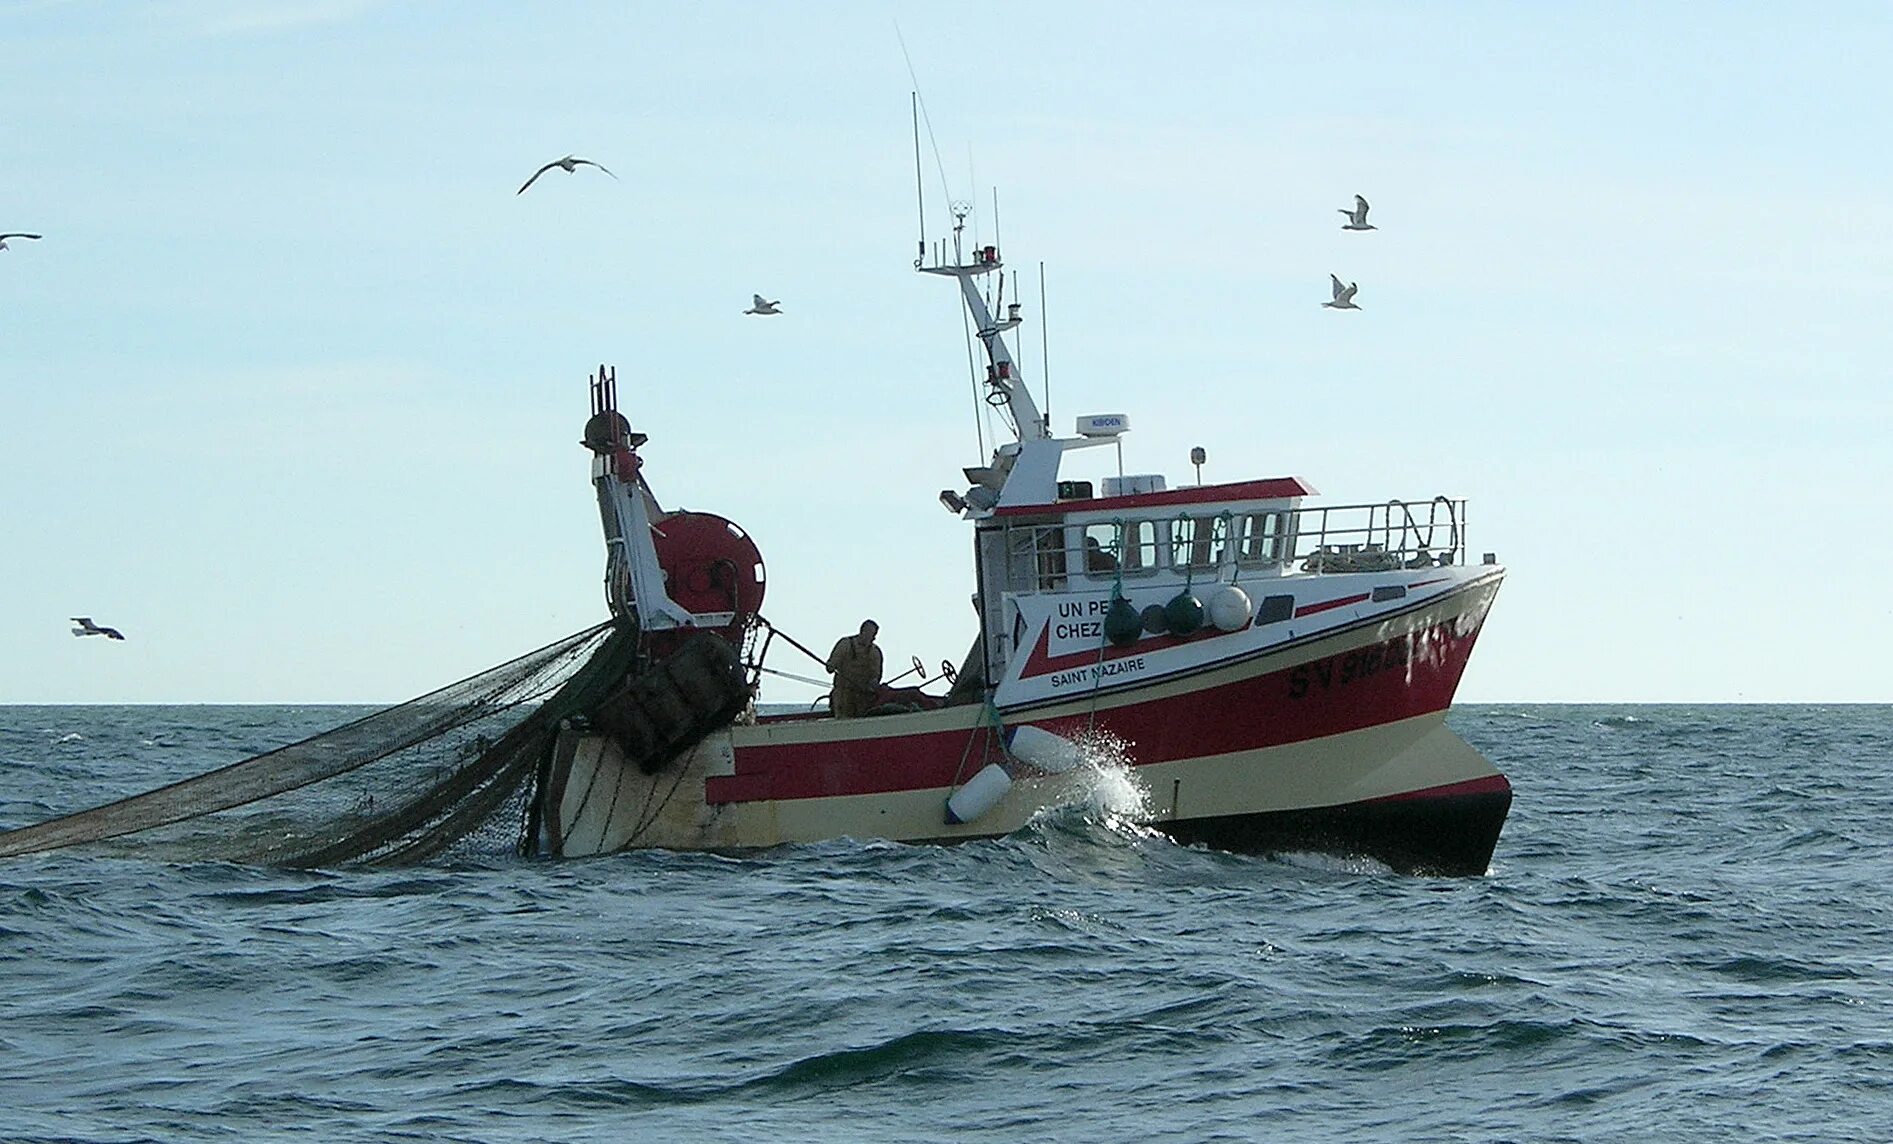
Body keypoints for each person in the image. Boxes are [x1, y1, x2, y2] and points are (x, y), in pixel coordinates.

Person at [825, 619, 884, 718]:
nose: (873, 638)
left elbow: (876, 676)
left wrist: (872, 686)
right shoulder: (845, 645)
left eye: (875, 634)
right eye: (871, 634)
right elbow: (830, 667)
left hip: (863, 698)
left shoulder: (875, 652)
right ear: (862, 631)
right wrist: (831, 665)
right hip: (843, 696)